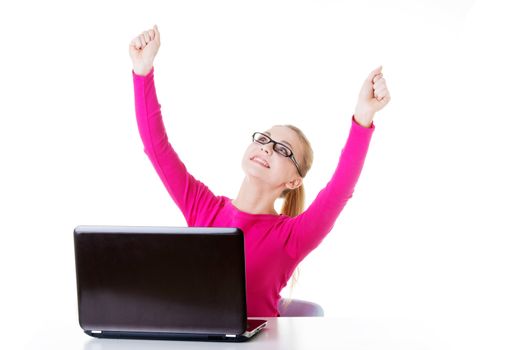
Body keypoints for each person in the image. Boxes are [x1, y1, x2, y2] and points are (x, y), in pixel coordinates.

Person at [129, 25, 391, 317]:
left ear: (293, 181)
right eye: (264, 139)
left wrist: (363, 116)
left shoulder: (292, 237)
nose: (267, 148)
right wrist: (143, 73)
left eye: (282, 149)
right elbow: (157, 148)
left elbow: (340, 189)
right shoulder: (203, 208)